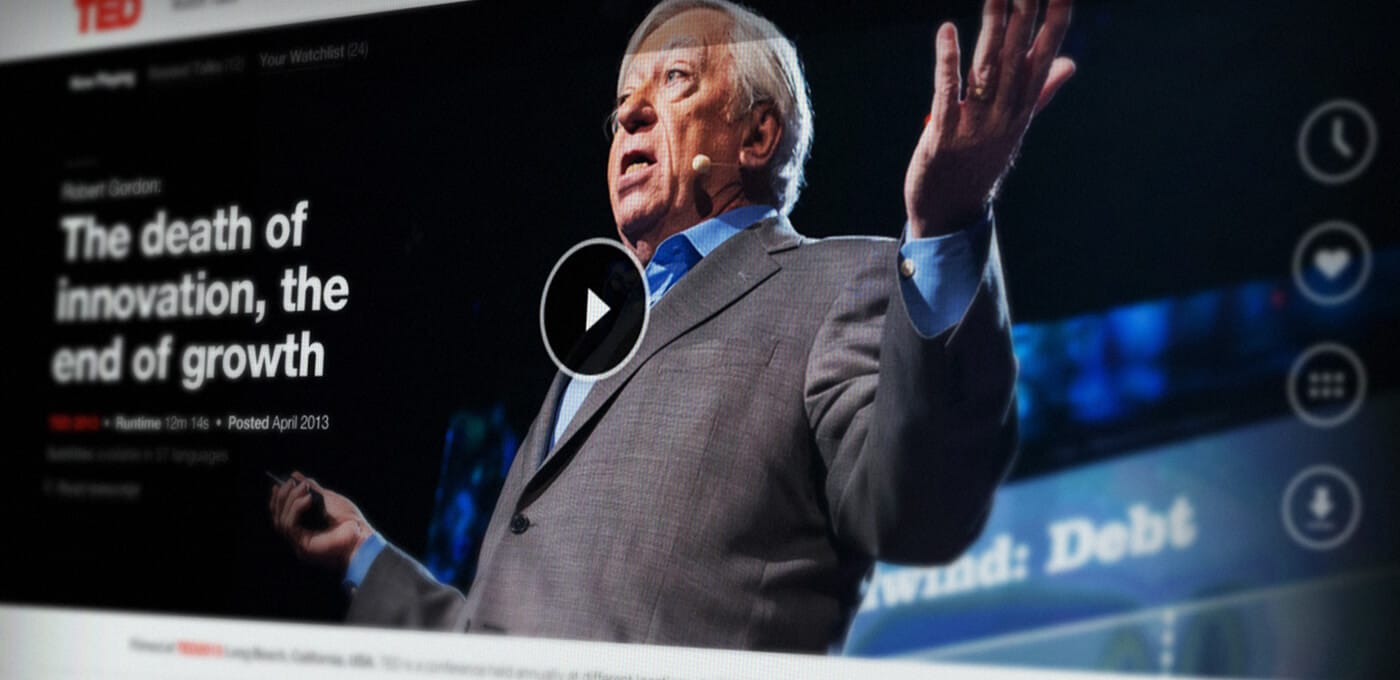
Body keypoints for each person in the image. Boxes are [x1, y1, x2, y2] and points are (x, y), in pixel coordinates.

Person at [271, 0, 1074, 652]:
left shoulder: (840, 283)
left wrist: (947, 228)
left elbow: (917, 507)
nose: (630, 117)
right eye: (621, 107)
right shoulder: (594, 345)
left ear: (756, 135)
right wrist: (365, 556)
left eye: (675, 80)